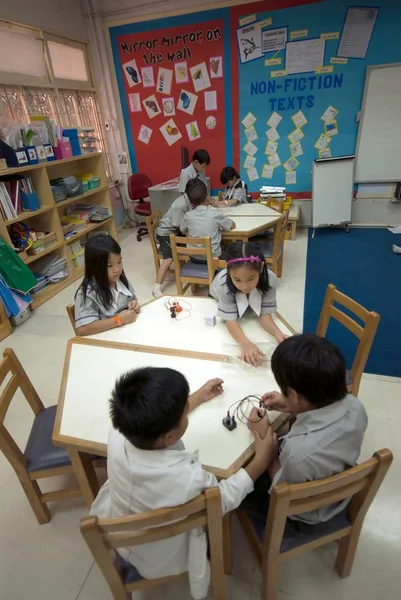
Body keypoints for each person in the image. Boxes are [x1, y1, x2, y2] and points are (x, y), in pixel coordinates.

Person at [90, 367, 276, 598]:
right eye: (184, 413)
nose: (186, 411)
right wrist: (260, 460)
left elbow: (159, 422)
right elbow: (222, 499)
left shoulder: (118, 434)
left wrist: (197, 397)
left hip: (120, 523)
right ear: (169, 436)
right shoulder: (185, 477)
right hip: (161, 556)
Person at [242, 334, 368, 534]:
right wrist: (291, 405)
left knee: (240, 482)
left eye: (286, 394)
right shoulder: (356, 408)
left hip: (300, 516)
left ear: (294, 394)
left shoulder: (297, 455)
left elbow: (280, 491)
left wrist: (264, 435)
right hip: (337, 487)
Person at [209, 241, 287, 365]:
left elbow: (264, 315)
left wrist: (278, 333)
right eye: (237, 280)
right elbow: (230, 320)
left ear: (261, 267)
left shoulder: (270, 279)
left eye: (251, 279)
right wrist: (245, 343)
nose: (244, 286)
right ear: (228, 270)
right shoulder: (224, 284)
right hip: (217, 297)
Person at [74, 235, 139, 336]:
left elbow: (133, 299)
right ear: (94, 266)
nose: (117, 269)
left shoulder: (120, 280)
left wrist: (134, 305)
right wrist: (118, 320)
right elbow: (82, 329)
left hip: (127, 334)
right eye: (110, 265)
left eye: (119, 262)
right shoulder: (87, 293)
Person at [153, 178, 204, 298]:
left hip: (175, 231)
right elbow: (180, 227)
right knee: (168, 259)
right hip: (166, 234)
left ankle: (191, 273)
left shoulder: (188, 200)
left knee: (194, 242)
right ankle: (156, 287)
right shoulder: (180, 205)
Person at [180, 179, 235, 261]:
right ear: (207, 198)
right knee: (230, 250)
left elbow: (182, 229)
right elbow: (231, 225)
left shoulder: (187, 216)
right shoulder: (215, 214)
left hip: (194, 257)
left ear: (191, 203)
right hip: (214, 258)